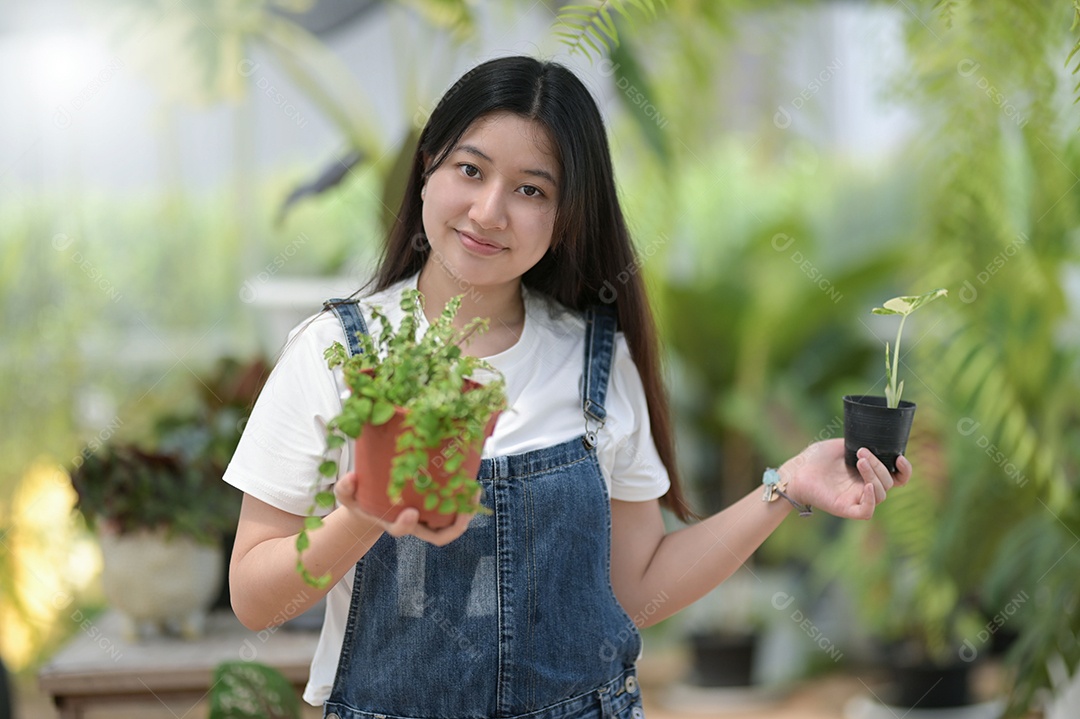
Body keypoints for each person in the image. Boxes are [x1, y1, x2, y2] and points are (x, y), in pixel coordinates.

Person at [225, 55, 912, 719]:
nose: (490, 210)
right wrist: (365, 514)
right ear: (427, 169)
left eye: (532, 189)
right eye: (470, 169)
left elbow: (635, 588)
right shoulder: (333, 354)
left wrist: (786, 486)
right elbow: (255, 599)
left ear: (565, 219)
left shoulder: (596, 359)